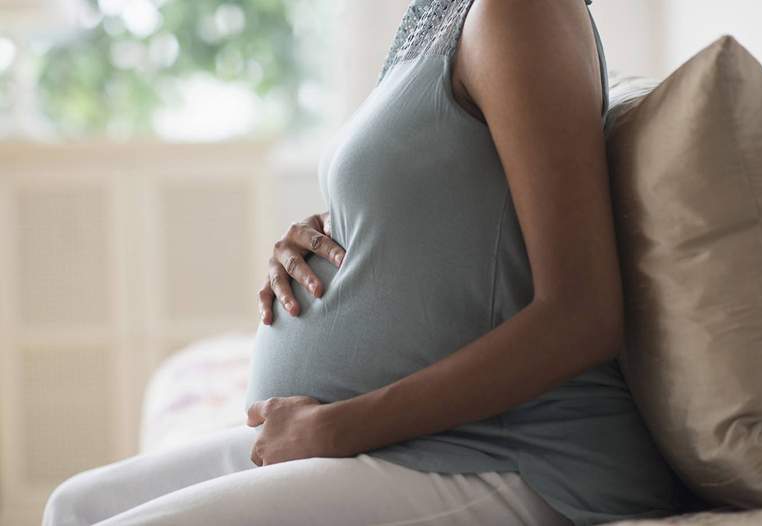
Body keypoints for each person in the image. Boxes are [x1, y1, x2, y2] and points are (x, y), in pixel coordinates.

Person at [42, 1, 683, 525]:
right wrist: (322, 236)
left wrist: (338, 428)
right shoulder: (433, 19)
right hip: (407, 442)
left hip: (514, 456)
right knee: (73, 506)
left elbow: (584, 313)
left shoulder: (521, 12)